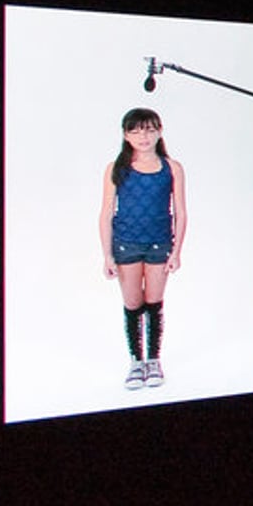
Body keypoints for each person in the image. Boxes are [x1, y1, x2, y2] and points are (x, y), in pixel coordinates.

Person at [98, 106, 188, 390]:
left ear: (159, 132)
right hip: (126, 244)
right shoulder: (116, 168)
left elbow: (181, 212)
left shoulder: (172, 167)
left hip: (160, 244)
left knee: (154, 302)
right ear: (126, 135)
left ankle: (154, 360)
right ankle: (136, 361)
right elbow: (105, 213)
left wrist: (177, 251)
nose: (143, 136)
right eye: (136, 131)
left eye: (149, 129)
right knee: (133, 304)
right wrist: (107, 255)